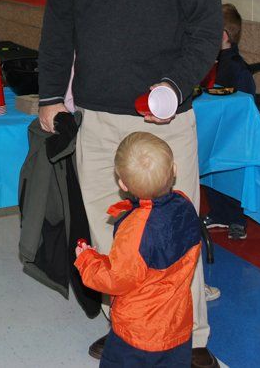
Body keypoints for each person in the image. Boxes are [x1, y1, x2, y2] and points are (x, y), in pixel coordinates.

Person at [37, 0, 222, 368]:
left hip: (163, 119)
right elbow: (58, 25)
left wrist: (175, 86)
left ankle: (192, 337)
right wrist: (50, 95)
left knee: (176, 232)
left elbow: (207, 30)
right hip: (97, 115)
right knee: (108, 231)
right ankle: (127, 329)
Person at [75, 132, 202, 368]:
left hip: (137, 333)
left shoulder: (135, 229)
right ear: (174, 170)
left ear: (122, 184)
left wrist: (87, 260)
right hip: (177, 325)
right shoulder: (185, 204)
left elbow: (117, 278)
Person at [200, 3, 255, 241]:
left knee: (232, 176)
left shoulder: (237, 69)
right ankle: (219, 212)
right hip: (213, 129)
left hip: (232, 134)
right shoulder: (211, 63)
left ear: (223, 36)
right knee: (210, 172)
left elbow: (246, 103)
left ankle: (237, 218)